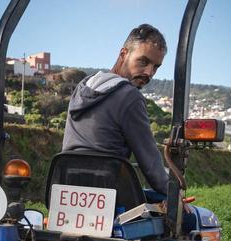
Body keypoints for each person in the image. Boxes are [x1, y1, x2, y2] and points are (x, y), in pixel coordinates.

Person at [61, 24, 169, 194]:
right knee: (194, 218)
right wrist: (173, 194)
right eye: (144, 61)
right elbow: (150, 164)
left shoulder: (83, 87)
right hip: (108, 195)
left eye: (156, 67)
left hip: (67, 189)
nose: (149, 72)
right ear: (123, 54)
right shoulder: (129, 96)